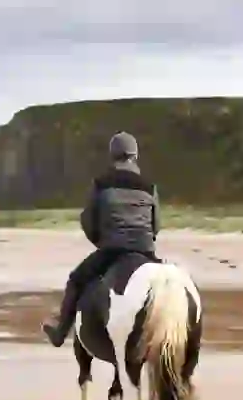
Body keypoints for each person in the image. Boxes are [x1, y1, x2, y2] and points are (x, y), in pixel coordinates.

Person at [41, 131, 161, 347]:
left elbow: (88, 220)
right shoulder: (149, 186)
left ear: (113, 155)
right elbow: (156, 226)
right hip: (145, 252)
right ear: (135, 156)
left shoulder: (102, 184)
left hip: (112, 250)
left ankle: (60, 333)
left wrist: (101, 242)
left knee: (76, 280)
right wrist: (144, 241)